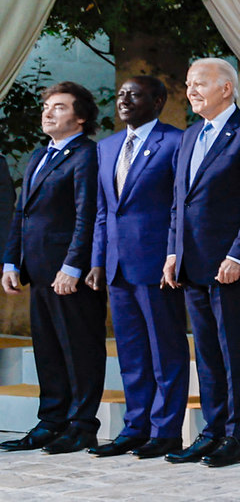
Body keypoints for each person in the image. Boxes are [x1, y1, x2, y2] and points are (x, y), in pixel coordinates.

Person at [164, 60, 240, 469]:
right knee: (207, 354)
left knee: (233, 351)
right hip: (192, 263)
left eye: (200, 84)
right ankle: (212, 432)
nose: (191, 91)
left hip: (229, 264)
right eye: (189, 84)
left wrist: (239, 254)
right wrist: (173, 251)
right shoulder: (190, 134)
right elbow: (180, 200)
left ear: (226, 88)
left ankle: (239, 435)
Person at [86, 77, 188, 459]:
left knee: (166, 351)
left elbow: (180, 206)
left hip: (156, 264)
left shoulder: (176, 142)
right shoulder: (108, 146)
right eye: (120, 95)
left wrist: (173, 255)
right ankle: (136, 426)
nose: (124, 100)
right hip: (116, 267)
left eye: (135, 94)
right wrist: (97, 260)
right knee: (131, 354)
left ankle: (166, 431)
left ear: (158, 100)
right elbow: (102, 211)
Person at [1, 83, 103, 455]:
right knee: (47, 349)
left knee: (79, 348)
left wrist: (73, 265)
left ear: (80, 117)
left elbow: (86, 215)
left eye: (58, 107)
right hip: (38, 270)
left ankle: (81, 425)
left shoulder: (87, 156)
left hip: (68, 273)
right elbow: (21, 213)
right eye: (46, 106)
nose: (47, 113)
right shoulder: (38, 155)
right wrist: (12, 261)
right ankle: (52, 420)